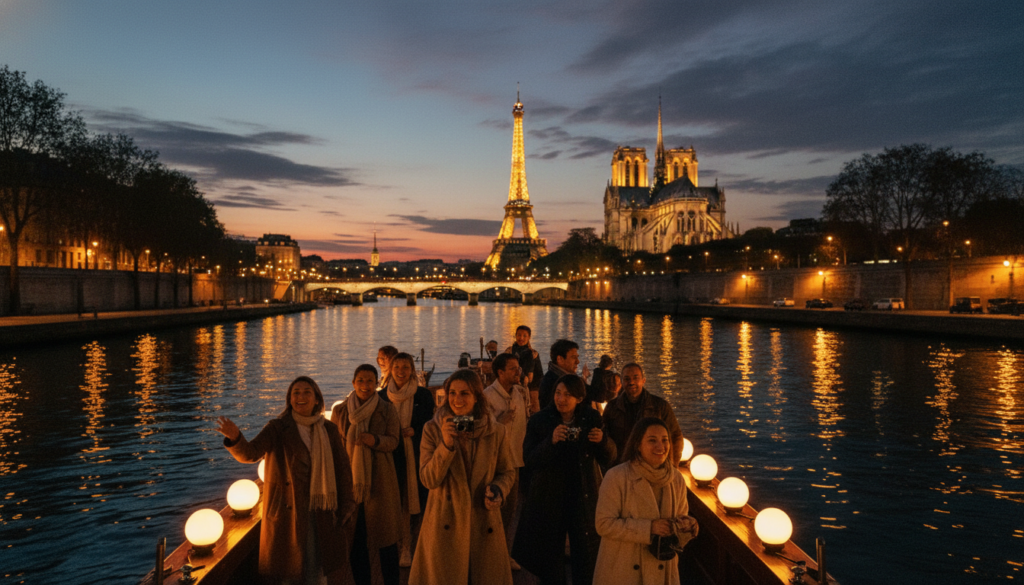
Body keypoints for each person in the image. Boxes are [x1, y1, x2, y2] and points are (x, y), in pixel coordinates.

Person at [216, 376, 356, 585]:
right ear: (289, 399)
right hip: (288, 513)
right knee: (289, 573)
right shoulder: (278, 428)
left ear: (317, 399)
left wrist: (347, 505)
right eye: (296, 393)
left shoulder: (328, 430)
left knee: (317, 571)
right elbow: (250, 453)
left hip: (322, 511)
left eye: (307, 392)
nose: (301, 397)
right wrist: (236, 438)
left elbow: (342, 470)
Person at [410, 369, 516, 585]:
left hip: (483, 521)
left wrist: (498, 489)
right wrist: (446, 444)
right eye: (452, 393)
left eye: (465, 393)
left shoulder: (496, 431)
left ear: (477, 397)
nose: (457, 399)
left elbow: (507, 471)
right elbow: (428, 480)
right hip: (444, 524)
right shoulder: (432, 430)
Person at [513, 374, 615, 585]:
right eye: (558, 393)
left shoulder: (591, 417)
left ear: (579, 398)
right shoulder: (540, 420)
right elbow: (529, 459)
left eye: (567, 395)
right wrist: (550, 442)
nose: (561, 399)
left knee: (585, 553)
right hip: (549, 495)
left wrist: (602, 442)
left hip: (582, 494)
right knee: (550, 555)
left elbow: (609, 457)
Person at [593, 417, 698, 585]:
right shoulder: (617, 477)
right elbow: (603, 524)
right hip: (623, 568)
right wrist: (649, 528)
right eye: (652, 440)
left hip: (662, 569)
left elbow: (680, 519)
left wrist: (686, 526)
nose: (660, 446)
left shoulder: (676, 479)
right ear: (638, 445)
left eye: (665, 440)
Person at [331, 365, 402, 585]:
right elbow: (334, 448)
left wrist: (375, 440)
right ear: (353, 383)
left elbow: (394, 441)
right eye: (360, 380)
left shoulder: (387, 409)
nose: (365, 385)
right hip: (351, 484)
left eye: (370, 381)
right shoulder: (341, 411)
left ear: (376, 383)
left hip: (380, 482)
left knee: (386, 542)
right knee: (356, 541)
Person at [378, 352, 435, 567]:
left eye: (405, 367)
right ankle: (403, 546)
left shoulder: (423, 396)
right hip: (392, 456)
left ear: (412, 370)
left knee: (418, 500)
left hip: (417, 456)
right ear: (391, 370)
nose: (401, 372)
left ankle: (416, 544)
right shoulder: (382, 397)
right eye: (397, 367)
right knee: (397, 502)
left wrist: (415, 430)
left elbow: (430, 424)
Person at [482, 353, 530, 570]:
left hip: (515, 461)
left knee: (510, 512)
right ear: (500, 372)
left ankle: (503, 554)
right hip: (495, 464)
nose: (518, 372)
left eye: (518, 368)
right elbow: (478, 429)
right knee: (492, 511)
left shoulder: (520, 393)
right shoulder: (487, 397)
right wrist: (497, 422)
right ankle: (488, 556)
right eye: (512, 369)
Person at [603, 363, 684, 464]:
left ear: (643, 381)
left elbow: (675, 436)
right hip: (622, 467)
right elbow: (605, 438)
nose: (631, 382)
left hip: (652, 466)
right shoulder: (612, 407)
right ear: (622, 382)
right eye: (627, 379)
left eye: (635, 378)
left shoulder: (660, 406)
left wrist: (672, 466)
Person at [538, 339, 590, 410]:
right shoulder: (552, 382)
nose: (578, 361)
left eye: (577, 357)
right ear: (560, 359)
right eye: (573, 357)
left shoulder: (568, 377)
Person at [506, 325, 540, 413]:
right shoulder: (509, 351)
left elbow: (538, 372)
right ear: (515, 336)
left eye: (525, 336)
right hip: (515, 382)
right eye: (519, 335)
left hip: (532, 385)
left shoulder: (534, 353)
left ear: (529, 337)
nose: (521, 338)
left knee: (534, 405)